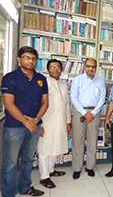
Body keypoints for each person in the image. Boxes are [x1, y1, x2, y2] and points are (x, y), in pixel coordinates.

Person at [1, 46, 48, 197]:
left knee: (28, 159)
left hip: (34, 125)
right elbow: (8, 104)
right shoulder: (9, 77)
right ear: (19, 59)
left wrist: (36, 120)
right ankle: (8, 193)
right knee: (11, 162)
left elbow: (45, 102)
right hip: (15, 127)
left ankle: (25, 187)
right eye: (27, 58)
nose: (31, 61)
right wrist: (27, 122)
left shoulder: (41, 79)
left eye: (33, 59)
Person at [37, 59, 71, 188]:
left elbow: (67, 104)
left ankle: (51, 170)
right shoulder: (43, 83)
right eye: (52, 67)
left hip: (60, 122)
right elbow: (38, 104)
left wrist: (68, 121)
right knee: (44, 150)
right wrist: (39, 123)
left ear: (61, 69)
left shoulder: (63, 84)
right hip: (46, 122)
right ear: (48, 69)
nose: (55, 69)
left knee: (55, 148)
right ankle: (44, 177)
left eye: (58, 67)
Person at [70, 58, 106, 179]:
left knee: (92, 140)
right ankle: (76, 168)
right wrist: (85, 113)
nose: (91, 68)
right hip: (80, 111)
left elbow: (102, 99)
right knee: (77, 141)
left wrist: (93, 113)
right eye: (88, 66)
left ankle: (90, 166)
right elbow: (73, 98)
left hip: (95, 113)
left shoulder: (100, 82)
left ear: (96, 68)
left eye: (93, 66)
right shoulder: (77, 80)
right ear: (84, 66)